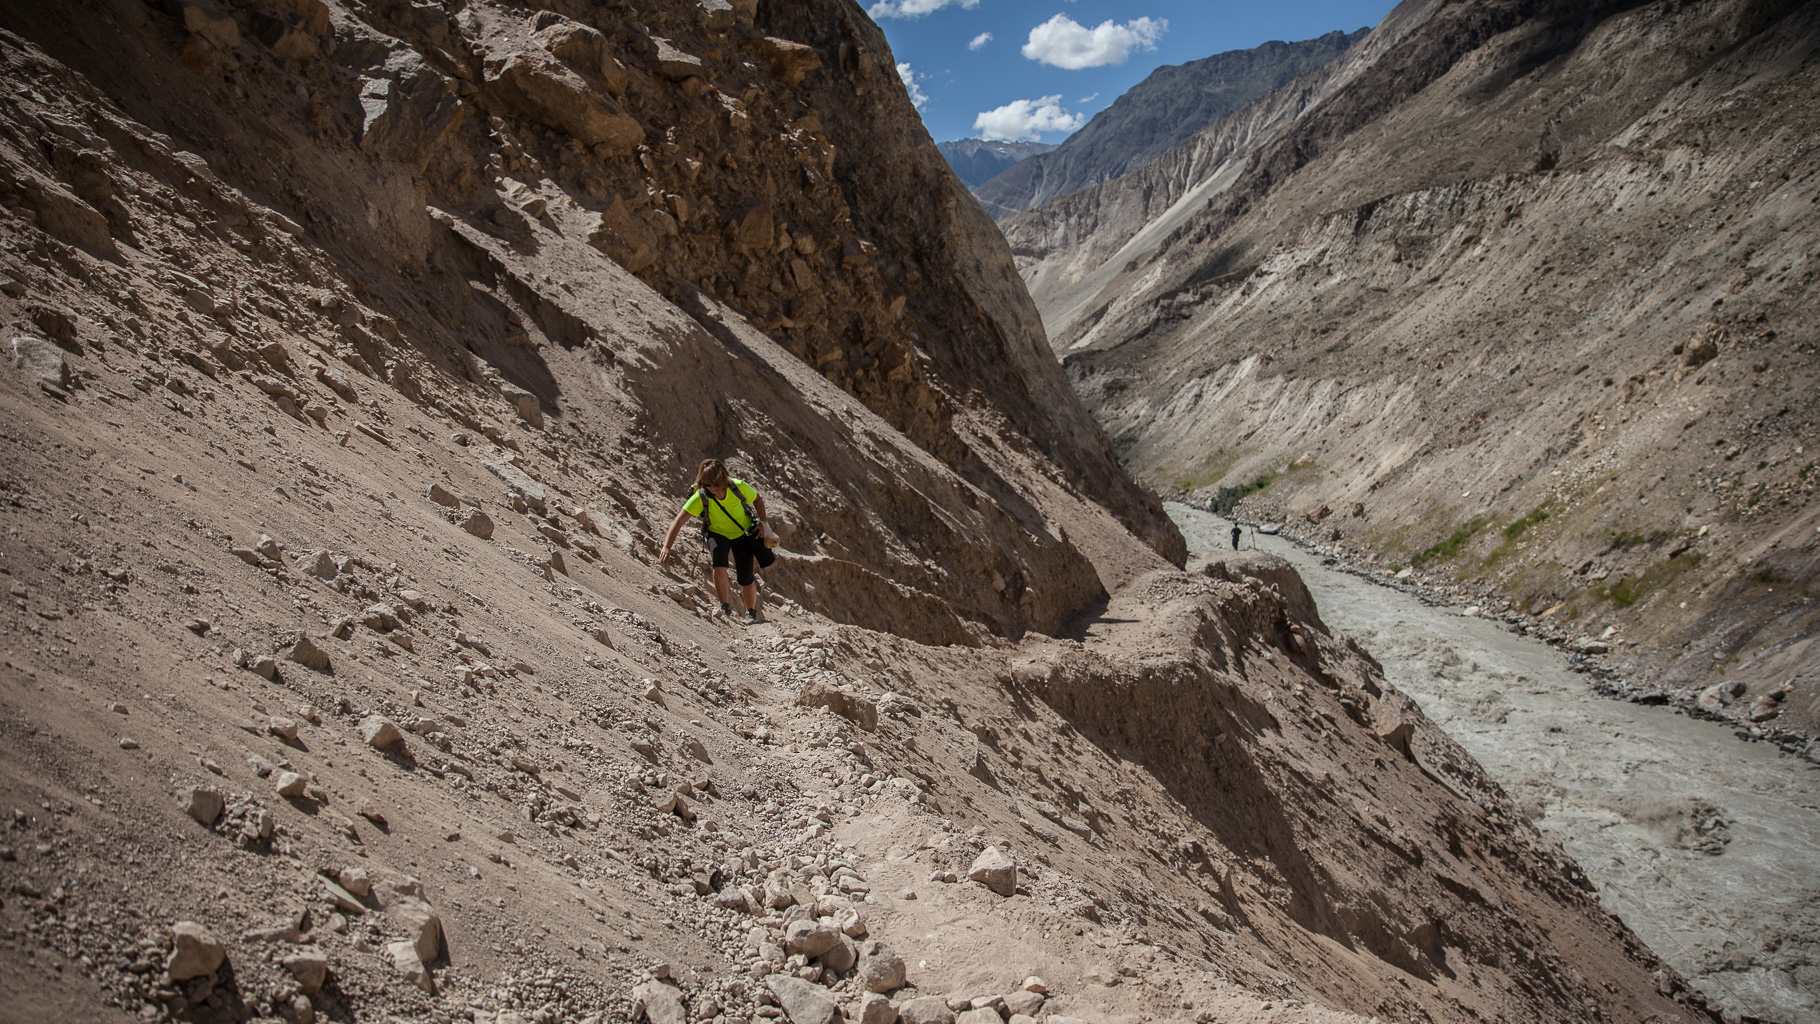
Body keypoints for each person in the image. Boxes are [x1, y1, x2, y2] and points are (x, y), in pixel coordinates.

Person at [659, 458, 775, 622]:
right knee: (719, 566)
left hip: (742, 533)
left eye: (715, 484)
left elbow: (757, 499)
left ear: (722, 480)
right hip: (717, 533)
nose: (713, 489)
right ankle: (725, 608)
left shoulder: (737, 486)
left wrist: (764, 524)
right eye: (708, 485)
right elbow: (678, 521)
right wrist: (666, 547)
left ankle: (751, 613)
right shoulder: (701, 496)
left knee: (746, 576)